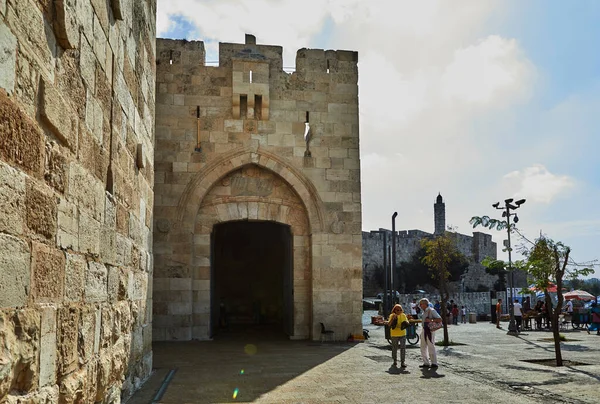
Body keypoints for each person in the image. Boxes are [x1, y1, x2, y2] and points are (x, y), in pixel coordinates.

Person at [419, 298, 442, 369]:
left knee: (431, 346)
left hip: (430, 330)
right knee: (423, 346)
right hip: (424, 329)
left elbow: (439, 319)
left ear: (425, 304)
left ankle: (434, 362)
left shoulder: (431, 310)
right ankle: (426, 362)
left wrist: (430, 320)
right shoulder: (424, 312)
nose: (420, 306)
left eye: (421, 304)